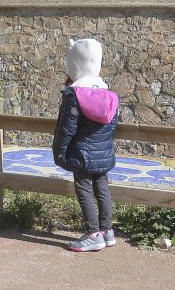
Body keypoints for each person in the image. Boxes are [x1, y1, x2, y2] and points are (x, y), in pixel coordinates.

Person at [52, 38, 119, 252]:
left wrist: (59, 152)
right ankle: (107, 231)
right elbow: (112, 126)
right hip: (103, 152)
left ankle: (93, 234)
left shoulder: (74, 95)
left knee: (83, 189)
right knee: (102, 188)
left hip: (82, 153)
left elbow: (66, 128)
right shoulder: (110, 95)